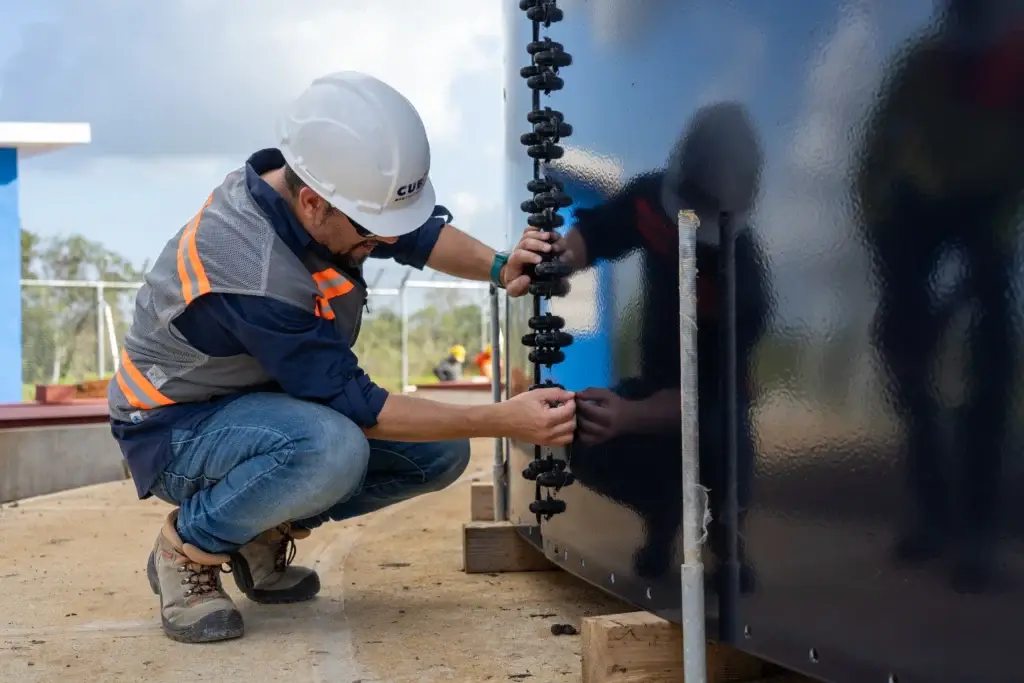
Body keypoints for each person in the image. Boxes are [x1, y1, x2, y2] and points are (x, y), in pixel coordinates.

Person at [107, 71, 576, 644]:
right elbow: (359, 407)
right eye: (372, 234)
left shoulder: (329, 198)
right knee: (331, 448)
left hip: (254, 407)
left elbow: (414, 235)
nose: (380, 244)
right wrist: (500, 419)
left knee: (439, 451)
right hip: (174, 425)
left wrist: (501, 266)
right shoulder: (246, 268)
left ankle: (255, 528)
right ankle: (188, 548)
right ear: (311, 202)